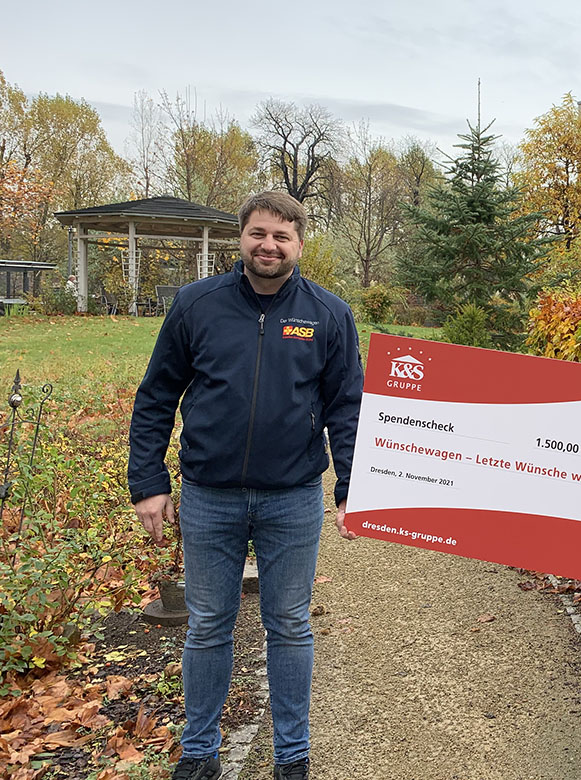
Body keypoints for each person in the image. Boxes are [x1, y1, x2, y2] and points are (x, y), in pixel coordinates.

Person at [128, 191, 364, 780]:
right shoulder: (195, 305)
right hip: (210, 496)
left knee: (288, 624)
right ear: (242, 238)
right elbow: (156, 395)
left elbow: (347, 406)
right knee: (208, 624)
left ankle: (291, 757)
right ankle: (200, 753)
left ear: (300, 245)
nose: (269, 245)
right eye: (259, 233)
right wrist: (148, 480)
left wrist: (351, 486)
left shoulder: (329, 314)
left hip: (292, 498)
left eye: (282, 237)